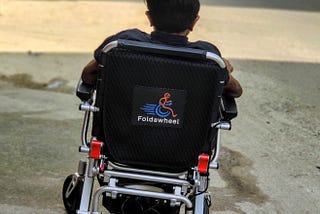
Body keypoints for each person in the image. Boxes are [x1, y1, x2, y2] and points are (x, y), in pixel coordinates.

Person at [81, 0, 242, 98]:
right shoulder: (207, 57)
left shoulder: (123, 44)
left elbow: (88, 76)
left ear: (149, 17)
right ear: (194, 22)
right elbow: (235, 91)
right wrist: (223, 69)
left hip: (118, 140)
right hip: (185, 148)